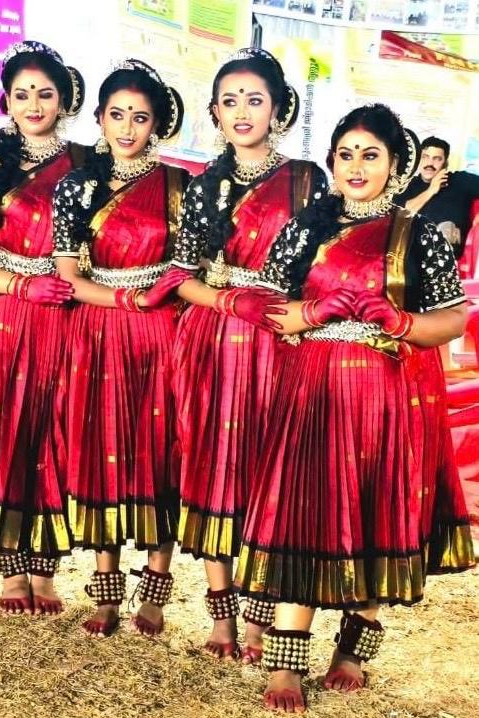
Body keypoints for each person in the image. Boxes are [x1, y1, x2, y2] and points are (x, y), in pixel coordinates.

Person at [234, 103, 475, 712]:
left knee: (373, 511)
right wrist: (317, 312)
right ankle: (286, 662)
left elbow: (452, 319)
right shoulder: (305, 228)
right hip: (312, 390)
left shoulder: (416, 234)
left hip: (386, 396)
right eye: (345, 155)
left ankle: (351, 651)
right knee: (303, 511)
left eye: (371, 155)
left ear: (397, 166)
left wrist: (401, 321)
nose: (356, 167)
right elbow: (268, 310)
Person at [170, 47, 326, 662]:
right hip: (213, 338)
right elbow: (180, 279)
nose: (241, 112)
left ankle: (260, 620)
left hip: (281, 341)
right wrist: (227, 300)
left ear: (279, 109)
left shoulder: (308, 181)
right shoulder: (202, 185)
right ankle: (222, 616)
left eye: (254, 100)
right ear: (214, 111)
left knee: (269, 475)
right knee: (213, 465)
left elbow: (320, 266)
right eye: (229, 101)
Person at [53, 59, 189, 638]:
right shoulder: (76, 185)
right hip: (96, 329)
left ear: (157, 124)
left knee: (158, 453)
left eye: (140, 117)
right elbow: (67, 278)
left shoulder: (180, 186)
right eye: (117, 115)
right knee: (98, 450)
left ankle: (155, 588)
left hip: (160, 334)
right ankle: (105, 591)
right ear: (100, 119)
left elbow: (186, 270)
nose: (127, 128)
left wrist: (150, 300)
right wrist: (127, 299)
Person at [0, 41, 84, 616]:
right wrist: (22, 286)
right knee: (5, 435)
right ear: (5, 100)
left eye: (45, 94)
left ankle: (45, 568)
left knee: (52, 437)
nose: (33, 104)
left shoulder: (86, 165)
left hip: (64, 315)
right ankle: (10, 567)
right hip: (0, 314)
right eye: (22, 94)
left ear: (65, 101)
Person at [398, 136, 479, 258]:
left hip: (448, 256)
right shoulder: (407, 186)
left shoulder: (461, 181)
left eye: (437, 159)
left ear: (445, 163)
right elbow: (401, 215)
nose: (430, 163)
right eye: (425, 157)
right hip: (412, 256)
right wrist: (431, 190)